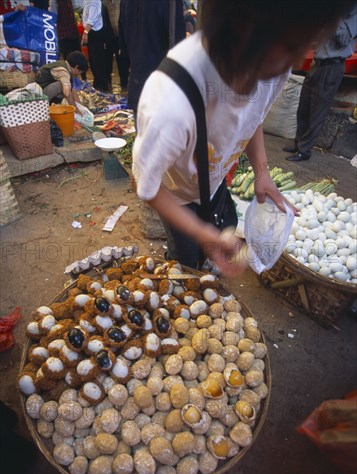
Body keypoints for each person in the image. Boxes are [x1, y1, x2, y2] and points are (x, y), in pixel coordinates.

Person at [132, 0, 356, 276]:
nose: (298, 62)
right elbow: (145, 185)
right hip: (175, 194)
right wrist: (200, 231)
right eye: (291, 47)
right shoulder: (171, 104)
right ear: (245, 30)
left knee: (221, 230)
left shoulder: (272, 68)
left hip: (213, 185)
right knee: (185, 259)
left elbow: (254, 119)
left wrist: (262, 172)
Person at [284, 6, 357, 161]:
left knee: (317, 112)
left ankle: (304, 151)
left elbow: (343, 38)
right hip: (317, 63)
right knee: (303, 108)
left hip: (332, 65)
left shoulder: (352, 13)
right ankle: (298, 144)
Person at [118, 0, 185, 116]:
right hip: (163, 91)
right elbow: (179, 48)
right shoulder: (171, 3)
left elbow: (123, 48)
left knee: (142, 132)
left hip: (138, 87)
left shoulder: (126, 2)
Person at [81, 0, 116, 92]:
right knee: (94, 60)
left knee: (98, 60)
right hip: (92, 31)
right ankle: (100, 83)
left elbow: (93, 15)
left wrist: (86, 32)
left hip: (97, 31)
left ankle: (102, 85)